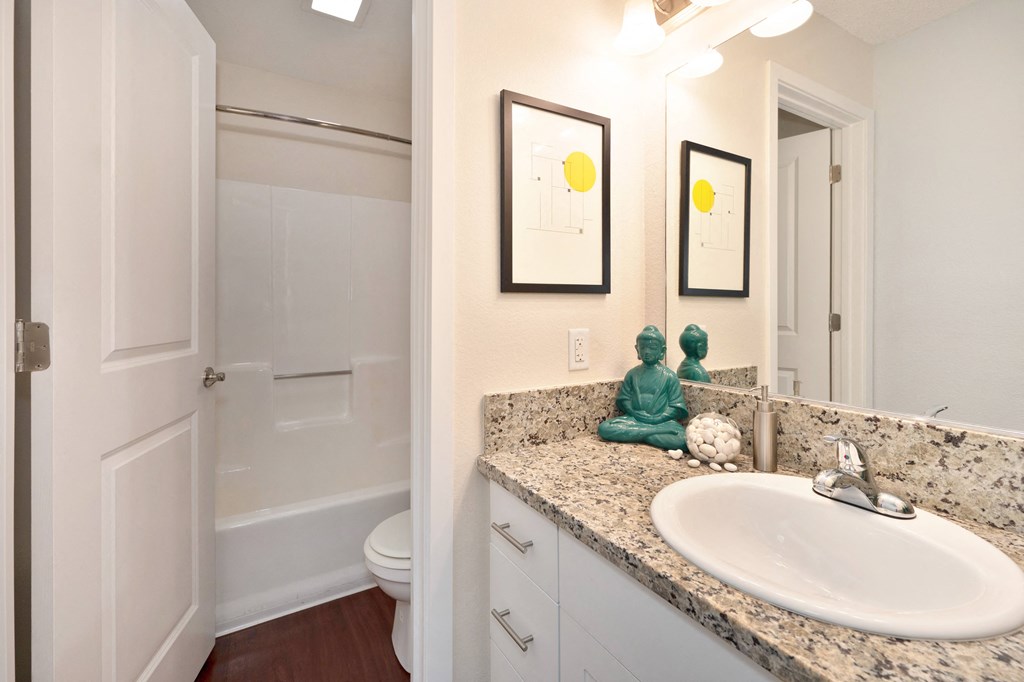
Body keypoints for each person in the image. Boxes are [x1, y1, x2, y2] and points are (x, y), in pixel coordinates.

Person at [598, 325, 689, 450]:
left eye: (652, 348)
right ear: (637, 350)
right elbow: (624, 400)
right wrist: (634, 412)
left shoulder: (669, 376)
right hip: (634, 420)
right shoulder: (632, 374)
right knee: (604, 428)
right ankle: (651, 432)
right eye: (643, 347)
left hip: (663, 422)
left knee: (682, 441)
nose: (647, 352)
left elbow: (676, 407)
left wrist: (659, 418)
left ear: (662, 351)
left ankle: (638, 434)